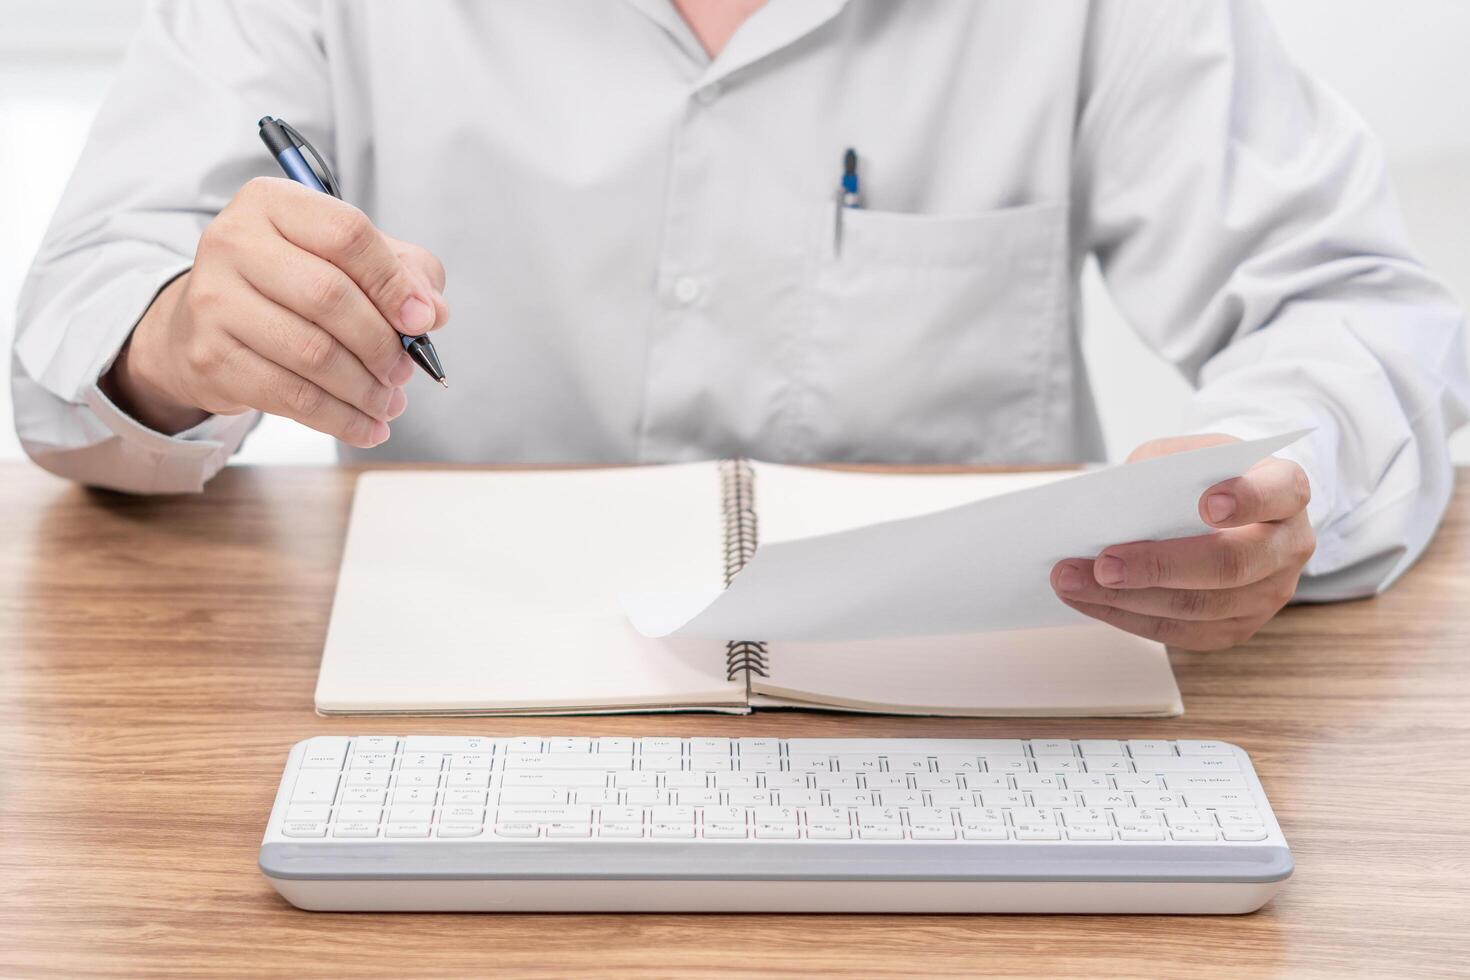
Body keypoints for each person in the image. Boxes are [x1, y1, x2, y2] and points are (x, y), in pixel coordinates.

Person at [12, 0, 1468, 651]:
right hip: (463, 693)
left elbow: (1349, 310)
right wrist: (178, 342)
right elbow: (79, 328)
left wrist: (1273, 475)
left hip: (979, 708)